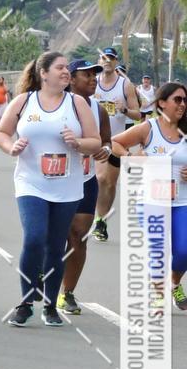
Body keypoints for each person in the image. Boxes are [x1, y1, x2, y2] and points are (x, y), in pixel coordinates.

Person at [0, 51, 100, 327]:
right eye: (61, 68)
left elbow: (96, 142)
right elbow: (1, 133)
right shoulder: (24, 101)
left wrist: (77, 143)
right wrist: (10, 147)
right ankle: (26, 301)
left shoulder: (77, 103)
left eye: (67, 68)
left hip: (67, 185)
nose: (66, 72)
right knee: (34, 237)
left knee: (55, 246)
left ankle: (51, 304)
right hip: (31, 182)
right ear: (44, 73)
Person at [111, 81, 187, 310]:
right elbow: (116, 143)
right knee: (158, 246)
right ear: (162, 103)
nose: (182, 104)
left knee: (183, 250)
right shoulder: (148, 128)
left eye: (185, 100)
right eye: (177, 99)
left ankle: (174, 283)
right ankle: (157, 293)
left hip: (182, 201)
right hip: (152, 200)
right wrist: (133, 158)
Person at [57, 60, 112, 314]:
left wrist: (105, 150)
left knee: (78, 237)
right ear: (70, 79)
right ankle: (41, 271)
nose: (93, 79)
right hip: (54, 181)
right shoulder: (55, 104)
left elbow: (108, 141)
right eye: (87, 75)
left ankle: (66, 293)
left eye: (95, 75)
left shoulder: (97, 109)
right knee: (53, 236)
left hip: (85, 180)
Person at [92, 47, 140, 241]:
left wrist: (125, 110)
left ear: (115, 61)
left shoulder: (125, 85)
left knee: (110, 183)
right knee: (100, 178)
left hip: (117, 141)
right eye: (104, 58)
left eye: (110, 58)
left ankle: (101, 222)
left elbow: (138, 114)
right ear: (99, 60)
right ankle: (91, 218)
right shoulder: (92, 82)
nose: (107, 61)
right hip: (95, 139)